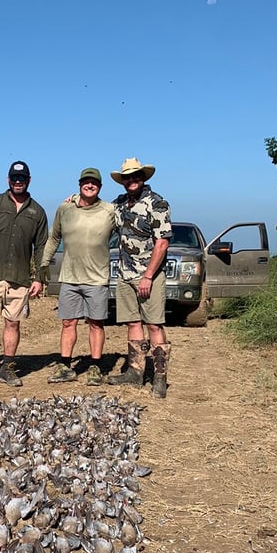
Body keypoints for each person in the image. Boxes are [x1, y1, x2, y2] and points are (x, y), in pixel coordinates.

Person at [0, 160, 48, 389]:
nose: (18, 182)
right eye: (14, 178)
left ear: (28, 181)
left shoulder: (37, 211)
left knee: (13, 323)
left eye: (22, 179)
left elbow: (41, 247)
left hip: (19, 278)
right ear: (8, 180)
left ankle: (7, 368)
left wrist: (39, 278)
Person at [40, 167, 116, 386]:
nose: (89, 185)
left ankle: (95, 366)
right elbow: (54, 238)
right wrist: (44, 262)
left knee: (96, 323)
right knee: (68, 322)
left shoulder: (109, 210)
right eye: (85, 182)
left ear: (100, 187)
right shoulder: (65, 208)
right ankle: (65, 365)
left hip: (97, 278)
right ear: (79, 185)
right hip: (70, 277)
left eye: (93, 182)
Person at [107, 157, 172, 398]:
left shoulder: (157, 203)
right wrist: (76, 201)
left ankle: (159, 377)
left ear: (143, 178)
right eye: (127, 177)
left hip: (149, 276)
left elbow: (162, 242)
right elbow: (100, 213)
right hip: (125, 274)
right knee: (133, 323)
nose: (131, 180)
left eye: (135, 176)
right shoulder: (120, 204)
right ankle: (134, 372)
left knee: (154, 324)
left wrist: (148, 276)